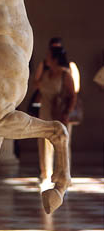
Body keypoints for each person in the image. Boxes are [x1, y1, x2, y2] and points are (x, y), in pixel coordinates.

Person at [35, 46, 76, 186]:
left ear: (55, 58)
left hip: (60, 115)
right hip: (45, 113)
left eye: (48, 55)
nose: (46, 58)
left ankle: (63, 176)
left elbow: (72, 96)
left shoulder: (65, 75)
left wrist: (66, 113)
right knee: (43, 145)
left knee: (62, 146)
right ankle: (45, 175)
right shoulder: (46, 74)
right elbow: (37, 85)